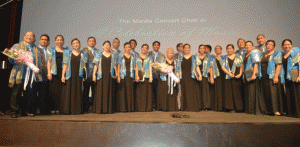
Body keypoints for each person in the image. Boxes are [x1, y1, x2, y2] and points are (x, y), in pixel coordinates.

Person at [7, 31, 44, 117]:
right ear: (24, 37)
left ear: (34, 39)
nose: (29, 37)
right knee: (16, 93)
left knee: (31, 93)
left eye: (31, 36)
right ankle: (14, 111)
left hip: (32, 75)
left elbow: (39, 62)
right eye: (27, 35)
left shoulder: (36, 49)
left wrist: (39, 75)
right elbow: (10, 57)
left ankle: (27, 110)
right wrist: (16, 61)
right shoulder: (17, 46)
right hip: (20, 73)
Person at [61, 38, 87, 115]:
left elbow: (84, 66)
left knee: (78, 92)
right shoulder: (67, 53)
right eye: (74, 43)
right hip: (69, 75)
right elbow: (65, 65)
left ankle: (77, 110)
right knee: (69, 91)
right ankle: (68, 110)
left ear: (79, 44)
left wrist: (84, 76)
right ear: (72, 45)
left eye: (77, 43)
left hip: (79, 76)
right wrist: (63, 75)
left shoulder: (83, 54)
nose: (76, 44)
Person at [260, 40, 284, 116]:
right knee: (266, 93)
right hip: (264, 77)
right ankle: (268, 110)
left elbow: (279, 65)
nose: (268, 46)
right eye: (267, 44)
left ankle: (276, 110)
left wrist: (276, 76)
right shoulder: (263, 54)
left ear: (273, 46)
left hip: (272, 76)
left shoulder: (276, 54)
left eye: (270, 44)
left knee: (274, 93)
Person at [92, 41, 116, 114]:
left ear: (110, 47)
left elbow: (115, 66)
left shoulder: (113, 55)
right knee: (100, 92)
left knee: (109, 91)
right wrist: (94, 75)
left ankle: (108, 109)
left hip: (109, 76)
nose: (107, 46)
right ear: (102, 46)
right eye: (105, 45)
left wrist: (117, 74)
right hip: (101, 76)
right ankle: (100, 109)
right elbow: (96, 65)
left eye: (108, 45)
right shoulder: (99, 54)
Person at [47, 35, 69, 114]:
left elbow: (66, 63)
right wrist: (49, 73)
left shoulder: (66, 51)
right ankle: (53, 108)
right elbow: (49, 62)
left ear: (63, 41)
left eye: (61, 40)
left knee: (61, 91)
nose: (59, 41)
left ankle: (60, 109)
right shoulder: (51, 50)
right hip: (54, 72)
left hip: (63, 72)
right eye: (58, 40)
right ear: (55, 41)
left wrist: (64, 75)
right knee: (53, 91)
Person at [243, 41, 266, 115]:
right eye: (246, 45)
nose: (248, 46)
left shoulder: (254, 52)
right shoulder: (245, 54)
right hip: (247, 75)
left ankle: (254, 110)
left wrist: (254, 74)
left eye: (249, 45)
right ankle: (249, 109)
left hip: (252, 75)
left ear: (252, 46)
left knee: (252, 92)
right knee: (249, 92)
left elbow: (256, 63)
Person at [221, 44, 244, 112]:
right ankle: (230, 107)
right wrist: (229, 74)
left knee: (237, 92)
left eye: (230, 48)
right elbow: (223, 67)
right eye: (228, 48)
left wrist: (240, 73)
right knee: (229, 92)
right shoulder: (224, 57)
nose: (229, 50)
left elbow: (241, 65)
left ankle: (238, 108)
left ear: (233, 49)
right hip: (228, 77)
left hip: (237, 77)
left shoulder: (238, 56)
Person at [281, 39, 300, 118]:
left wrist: (299, 75)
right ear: (282, 47)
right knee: (289, 94)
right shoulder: (282, 55)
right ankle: (291, 112)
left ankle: (298, 113)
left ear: (291, 45)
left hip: (295, 75)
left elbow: (299, 64)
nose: (287, 46)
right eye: (285, 44)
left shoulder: (294, 52)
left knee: (297, 94)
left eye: (288, 44)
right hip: (287, 76)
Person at [116, 42, 136, 112]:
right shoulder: (121, 55)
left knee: (129, 91)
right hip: (122, 75)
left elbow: (135, 66)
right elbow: (118, 66)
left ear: (130, 48)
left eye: (129, 47)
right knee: (122, 92)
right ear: (124, 48)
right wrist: (118, 76)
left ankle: (129, 108)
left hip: (130, 76)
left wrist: (136, 76)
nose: (128, 48)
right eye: (126, 47)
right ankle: (123, 108)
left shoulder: (133, 56)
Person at [180, 44, 200, 111]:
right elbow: (178, 68)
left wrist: (199, 75)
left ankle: (191, 107)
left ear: (190, 48)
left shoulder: (194, 57)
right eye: (185, 48)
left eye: (188, 48)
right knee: (184, 91)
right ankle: (184, 107)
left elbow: (197, 66)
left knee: (191, 91)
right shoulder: (180, 58)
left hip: (191, 76)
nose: (186, 49)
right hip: (183, 77)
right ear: (183, 49)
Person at [82, 37, 99, 113]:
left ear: (95, 43)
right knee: (85, 92)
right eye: (90, 41)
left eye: (93, 41)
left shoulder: (97, 51)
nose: (92, 42)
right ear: (87, 42)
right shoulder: (84, 51)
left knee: (95, 92)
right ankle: (85, 108)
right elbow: (83, 63)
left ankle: (94, 108)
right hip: (87, 74)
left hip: (95, 74)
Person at [134, 44, 153, 112]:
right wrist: (136, 76)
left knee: (147, 92)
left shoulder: (149, 58)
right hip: (139, 76)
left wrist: (151, 77)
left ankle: (147, 108)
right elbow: (136, 67)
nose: (144, 49)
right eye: (143, 48)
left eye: (146, 48)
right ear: (141, 48)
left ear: (147, 50)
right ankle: (140, 108)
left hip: (146, 76)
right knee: (139, 92)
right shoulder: (137, 57)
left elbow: (150, 67)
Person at [148, 41, 165, 110]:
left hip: (159, 76)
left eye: (157, 45)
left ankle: (158, 106)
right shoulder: (149, 55)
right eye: (154, 45)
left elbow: (163, 65)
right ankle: (152, 106)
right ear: (152, 46)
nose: (156, 46)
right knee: (151, 91)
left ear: (159, 47)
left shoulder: (162, 55)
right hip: (151, 75)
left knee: (158, 91)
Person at [36, 34, 51, 115]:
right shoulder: (36, 49)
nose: (44, 41)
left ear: (48, 42)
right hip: (37, 73)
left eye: (45, 39)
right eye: (42, 39)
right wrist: (38, 74)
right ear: (39, 40)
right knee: (34, 93)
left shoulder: (49, 50)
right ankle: (32, 110)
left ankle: (43, 110)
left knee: (44, 93)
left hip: (47, 74)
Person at [197, 45, 213, 111]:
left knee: (205, 91)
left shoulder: (208, 57)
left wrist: (211, 77)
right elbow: (194, 67)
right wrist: (198, 75)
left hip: (205, 76)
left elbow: (211, 67)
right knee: (198, 91)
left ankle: (206, 106)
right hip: (197, 76)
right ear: (198, 49)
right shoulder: (195, 57)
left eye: (203, 48)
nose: (202, 49)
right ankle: (199, 106)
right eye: (200, 48)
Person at [212, 45, 225, 111]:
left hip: (224, 76)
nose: (217, 50)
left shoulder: (224, 58)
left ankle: (224, 107)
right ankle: (218, 107)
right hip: (217, 76)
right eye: (216, 49)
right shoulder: (213, 59)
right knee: (218, 91)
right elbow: (211, 68)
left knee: (224, 91)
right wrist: (211, 77)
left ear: (221, 50)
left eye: (218, 49)